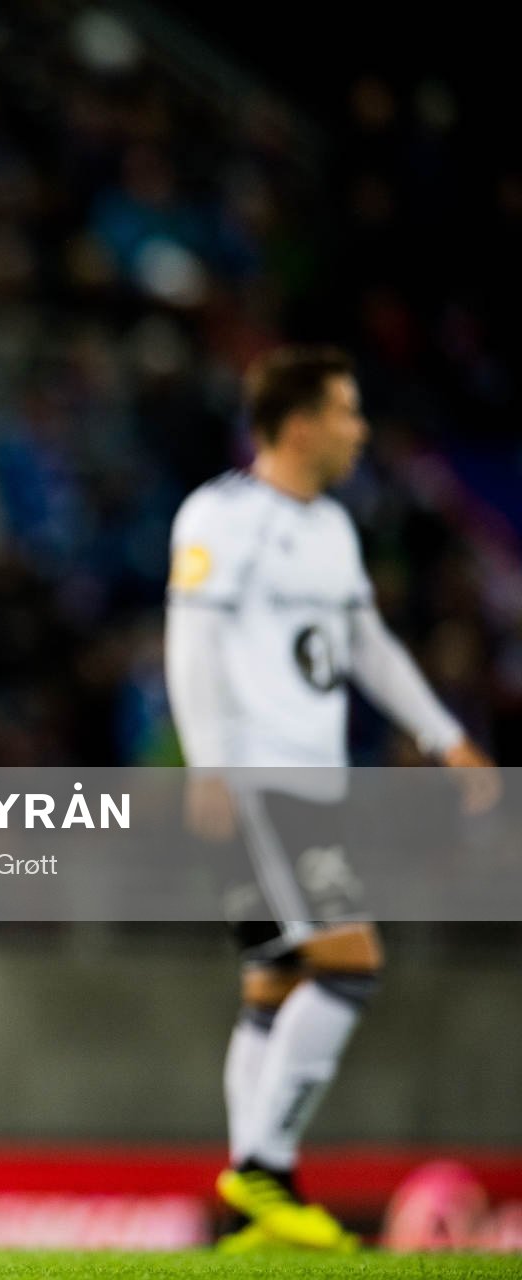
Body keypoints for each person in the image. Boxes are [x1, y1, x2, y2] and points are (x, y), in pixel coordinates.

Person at [164, 345, 498, 1253]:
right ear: (301, 421)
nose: (359, 428)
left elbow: (367, 646)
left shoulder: (331, 529)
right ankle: (265, 1170)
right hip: (258, 784)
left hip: (308, 783)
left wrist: (442, 733)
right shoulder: (221, 516)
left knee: (274, 982)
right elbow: (191, 646)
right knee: (350, 963)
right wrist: (210, 768)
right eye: (347, 411)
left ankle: (247, 1216)